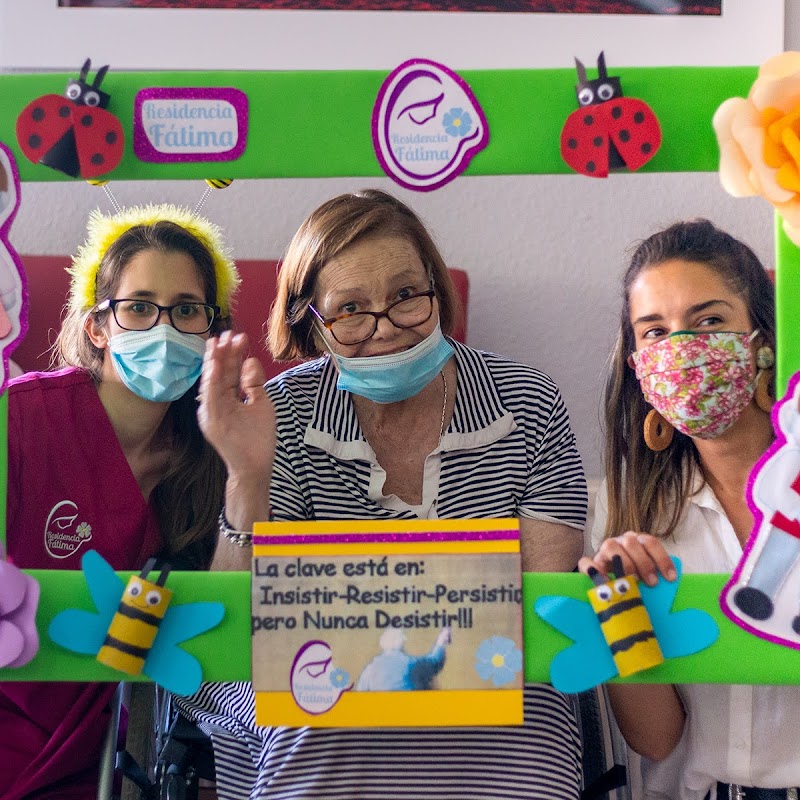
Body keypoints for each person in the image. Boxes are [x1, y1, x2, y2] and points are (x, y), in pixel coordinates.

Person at [185, 188, 588, 799]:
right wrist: (246, 477)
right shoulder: (284, 411)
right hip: (324, 708)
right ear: (311, 322)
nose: (387, 329)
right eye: (350, 309)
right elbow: (240, 630)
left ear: (436, 291)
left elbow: (541, 609)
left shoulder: (528, 401)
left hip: (501, 702)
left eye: (405, 295)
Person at [0, 203, 239, 800]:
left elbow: (225, 630)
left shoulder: (215, 450)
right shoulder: (21, 417)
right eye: (139, 306)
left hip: (111, 751)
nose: (164, 328)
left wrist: (247, 472)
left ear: (210, 332)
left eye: (187, 309)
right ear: (98, 327)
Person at [580, 219, 800, 800]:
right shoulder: (626, 510)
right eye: (655, 331)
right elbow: (655, 739)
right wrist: (615, 602)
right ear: (637, 364)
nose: (682, 349)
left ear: (762, 340)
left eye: (709, 321)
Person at [355, 627, 451, 692]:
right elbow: (435, 661)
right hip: (408, 711)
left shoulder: (370, 668)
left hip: (381, 712)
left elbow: (360, 694)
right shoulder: (411, 664)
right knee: (430, 683)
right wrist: (441, 641)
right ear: (402, 644)